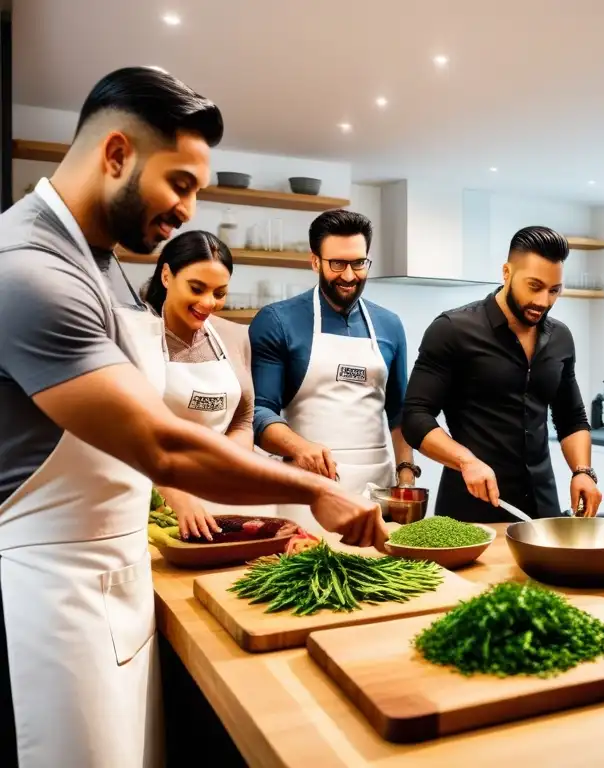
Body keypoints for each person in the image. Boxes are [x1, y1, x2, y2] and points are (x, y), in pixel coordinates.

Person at [0, 67, 383, 768]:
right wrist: (313, 492)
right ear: (116, 154)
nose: (189, 211)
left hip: (117, 570)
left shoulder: (103, 262)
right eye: (180, 183)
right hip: (52, 593)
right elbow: (160, 443)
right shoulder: (28, 267)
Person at [402, 225, 602, 522]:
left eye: (554, 290)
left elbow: (571, 418)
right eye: (534, 286)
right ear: (507, 273)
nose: (543, 301)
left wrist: (582, 471)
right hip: (470, 508)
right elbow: (415, 417)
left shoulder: (561, 338)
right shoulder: (452, 330)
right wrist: (465, 460)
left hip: (542, 509)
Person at [249, 209, 416, 536]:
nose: (350, 276)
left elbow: (399, 412)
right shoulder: (277, 321)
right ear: (315, 262)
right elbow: (258, 412)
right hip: (308, 490)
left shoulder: (390, 325)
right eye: (337, 264)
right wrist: (299, 447)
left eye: (359, 263)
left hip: (377, 489)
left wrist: (406, 475)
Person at [142, 230, 264, 540]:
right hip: (155, 502)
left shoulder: (235, 337)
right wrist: (178, 497)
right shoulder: (136, 336)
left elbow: (242, 419)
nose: (207, 302)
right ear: (167, 275)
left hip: (222, 494)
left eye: (219, 293)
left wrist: (231, 466)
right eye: (196, 288)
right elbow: (130, 435)